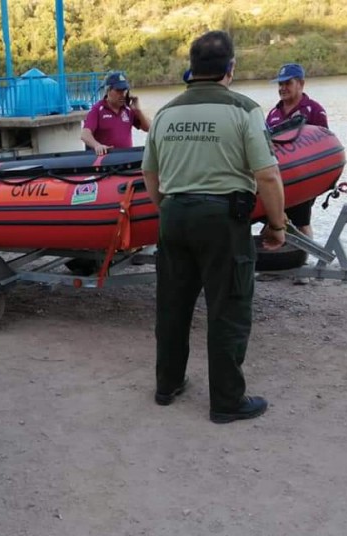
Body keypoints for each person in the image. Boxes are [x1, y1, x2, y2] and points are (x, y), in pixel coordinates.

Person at [141, 30, 287, 424]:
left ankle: (166, 385)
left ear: (192, 69)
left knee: (172, 306)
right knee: (228, 308)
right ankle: (226, 401)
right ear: (231, 68)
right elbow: (268, 176)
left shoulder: (166, 114)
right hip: (222, 221)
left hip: (173, 217)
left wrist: (170, 209)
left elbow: (149, 174)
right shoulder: (244, 110)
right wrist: (277, 226)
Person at [266, 63, 328, 241]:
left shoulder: (314, 110)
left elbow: (325, 142)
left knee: (301, 221)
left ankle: (304, 258)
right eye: (280, 84)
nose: (283, 88)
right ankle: (283, 256)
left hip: (304, 177)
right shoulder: (273, 114)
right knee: (275, 219)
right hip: (279, 178)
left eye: (288, 83)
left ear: (300, 84)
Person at [81, 71, 151, 155]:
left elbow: (149, 128)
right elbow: (85, 134)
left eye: (124, 91)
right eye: (118, 91)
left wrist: (138, 111)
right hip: (107, 160)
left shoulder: (128, 109)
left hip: (126, 159)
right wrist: (97, 146)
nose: (122, 95)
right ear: (108, 90)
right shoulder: (98, 109)